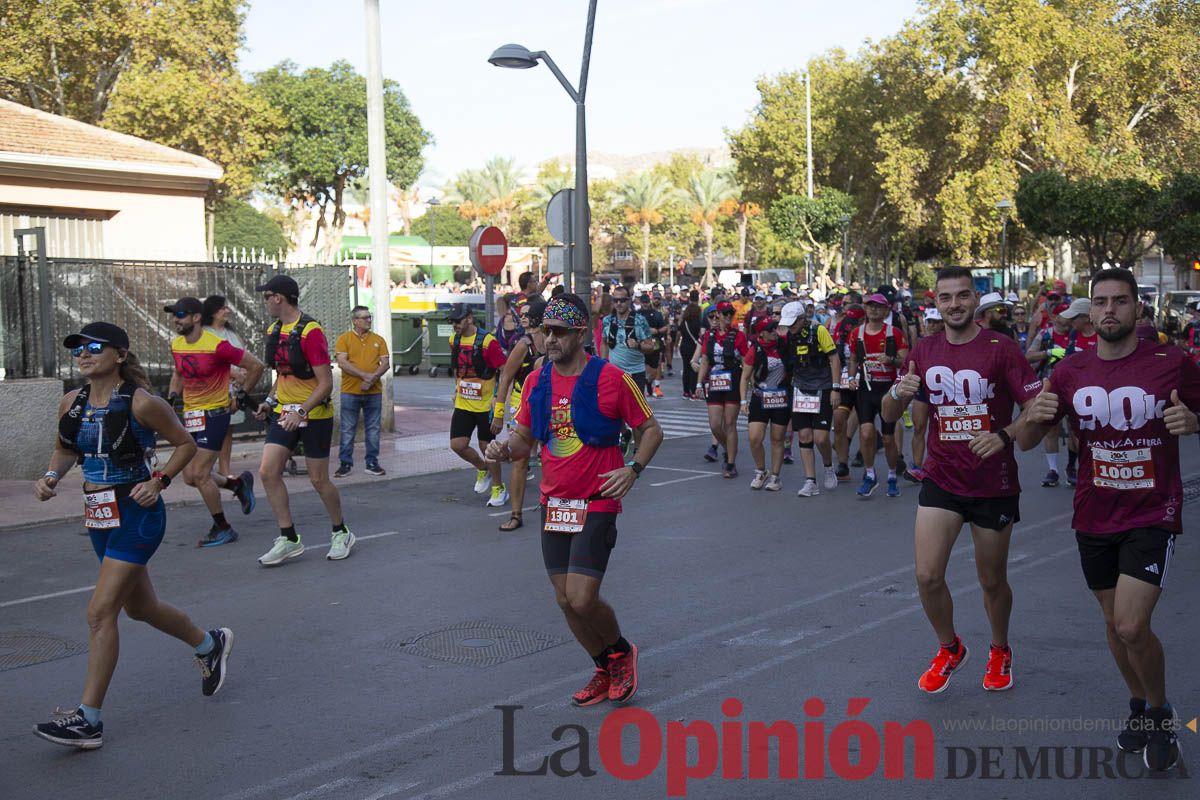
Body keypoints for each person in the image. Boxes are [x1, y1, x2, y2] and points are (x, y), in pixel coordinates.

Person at [1016, 268, 1198, 771]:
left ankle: (1160, 714)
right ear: (1090, 311)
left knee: (1131, 623)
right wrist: (1033, 415)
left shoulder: (1171, 361)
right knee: (1113, 626)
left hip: (1152, 511)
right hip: (1094, 512)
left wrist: (1195, 421)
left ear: (1138, 308)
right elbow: (1031, 440)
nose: (1110, 309)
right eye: (1101, 302)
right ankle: (1140, 705)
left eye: (1121, 300)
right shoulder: (1070, 371)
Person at [32, 323, 232, 749]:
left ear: (120, 354)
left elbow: (185, 445)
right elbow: (66, 448)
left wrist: (159, 480)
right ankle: (208, 643)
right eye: (77, 350)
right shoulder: (72, 402)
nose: (82, 355)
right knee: (142, 608)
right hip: (98, 515)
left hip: (137, 515)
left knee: (100, 613)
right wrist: (51, 476)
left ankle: (88, 721)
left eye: (92, 348)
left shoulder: (144, 403)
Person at [485, 294, 663, 707]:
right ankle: (603, 666)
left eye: (559, 332)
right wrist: (501, 449)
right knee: (564, 599)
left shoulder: (613, 379)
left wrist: (632, 469)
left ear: (580, 333)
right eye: (546, 330)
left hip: (597, 500)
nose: (550, 339)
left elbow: (651, 429)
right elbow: (524, 439)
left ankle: (621, 652)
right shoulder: (536, 381)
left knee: (583, 597)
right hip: (555, 505)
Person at [882, 266, 1042, 696]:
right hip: (943, 478)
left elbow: (1038, 407)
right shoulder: (924, 349)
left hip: (994, 483)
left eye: (962, 296)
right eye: (945, 297)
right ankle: (950, 648)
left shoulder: (1001, 348)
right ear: (935, 302)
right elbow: (888, 414)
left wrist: (1005, 435)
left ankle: (1000, 648)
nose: (954, 304)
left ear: (976, 300)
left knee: (991, 580)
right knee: (927, 575)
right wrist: (898, 392)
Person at [251, 275, 355, 565]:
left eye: (266, 296)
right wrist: (269, 402)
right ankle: (288, 538)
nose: (265, 302)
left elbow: (325, 384)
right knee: (268, 472)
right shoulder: (275, 330)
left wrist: (302, 412)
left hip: (315, 414)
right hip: (284, 413)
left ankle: (341, 531)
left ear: (279, 298)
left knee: (318, 479)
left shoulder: (310, 332)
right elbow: (283, 375)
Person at [165, 297, 263, 547]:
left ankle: (223, 527)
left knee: (199, 472)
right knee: (190, 477)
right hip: (191, 416)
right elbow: (178, 373)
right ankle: (237, 484)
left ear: (196, 317)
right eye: (174, 315)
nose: (176, 319)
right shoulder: (177, 344)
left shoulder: (217, 345)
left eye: (181, 314)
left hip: (215, 415)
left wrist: (240, 397)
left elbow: (256, 366)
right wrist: (173, 397)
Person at [445, 303, 510, 507]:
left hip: (485, 406)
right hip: (464, 404)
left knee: (486, 447)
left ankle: (499, 488)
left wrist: (498, 405)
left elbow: (504, 371)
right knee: (457, 445)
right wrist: (457, 388)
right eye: (452, 321)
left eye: (458, 320)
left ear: (469, 318)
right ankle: (482, 468)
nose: (454, 325)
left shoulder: (487, 342)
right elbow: (459, 368)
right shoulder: (453, 340)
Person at [491, 299, 547, 531]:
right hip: (522, 407)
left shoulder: (555, 341)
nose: (522, 317)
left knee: (554, 456)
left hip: (548, 408)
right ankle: (516, 514)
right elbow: (506, 377)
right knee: (519, 459)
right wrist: (498, 414)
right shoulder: (524, 344)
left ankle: (558, 508)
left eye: (527, 314)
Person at [847, 293, 908, 498]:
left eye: (878, 307)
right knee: (865, 433)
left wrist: (890, 359)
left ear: (886, 311)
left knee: (889, 438)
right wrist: (851, 377)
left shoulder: (894, 333)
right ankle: (870, 475)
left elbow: (904, 362)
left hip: (887, 391)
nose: (873, 310)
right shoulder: (857, 333)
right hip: (866, 389)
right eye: (870, 306)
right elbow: (854, 359)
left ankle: (891, 476)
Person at [779, 300, 842, 496]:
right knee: (804, 436)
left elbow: (834, 358)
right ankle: (810, 481)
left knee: (821, 437)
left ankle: (828, 466)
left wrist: (836, 388)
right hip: (800, 389)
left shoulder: (819, 331)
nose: (791, 328)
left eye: (793, 323)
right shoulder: (786, 336)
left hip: (822, 388)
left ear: (802, 319)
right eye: (787, 324)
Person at [334, 306, 390, 478]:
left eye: (369, 317)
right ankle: (345, 464)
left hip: (374, 392)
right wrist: (365, 376)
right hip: (350, 391)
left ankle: (372, 462)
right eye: (365, 318)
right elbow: (342, 363)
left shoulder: (378, 340)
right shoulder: (344, 339)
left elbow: (385, 363)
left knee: (373, 428)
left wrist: (371, 379)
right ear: (355, 321)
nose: (368, 320)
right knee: (347, 428)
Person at [599, 285, 655, 452]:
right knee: (612, 409)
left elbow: (651, 346)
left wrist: (638, 345)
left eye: (622, 300)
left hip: (635, 372)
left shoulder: (639, 320)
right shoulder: (608, 320)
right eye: (615, 300)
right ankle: (624, 433)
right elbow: (603, 342)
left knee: (636, 414)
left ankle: (638, 449)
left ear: (629, 300)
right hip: (614, 372)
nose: (619, 304)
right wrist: (603, 363)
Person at [698, 300, 750, 478]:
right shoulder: (709, 335)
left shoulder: (738, 336)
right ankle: (728, 448)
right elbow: (705, 359)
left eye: (731, 313)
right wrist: (698, 384)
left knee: (729, 423)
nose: (729, 317)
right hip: (715, 381)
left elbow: (746, 360)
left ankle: (731, 463)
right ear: (717, 315)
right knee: (714, 425)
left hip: (733, 380)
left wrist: (747, 383)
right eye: (725, 313)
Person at [739, 317, 790, 491]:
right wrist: (743, 401)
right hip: (759, 397)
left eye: (775, 328)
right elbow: (745, 377)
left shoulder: (784, 345)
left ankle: (775, 477)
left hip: (780, 398)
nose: (774, 332)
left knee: (777, 439)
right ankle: (761, 470)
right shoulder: (755, 349)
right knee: (754, 438)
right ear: (761, 333)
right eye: (770, 330)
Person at [202, 295, 247, 478]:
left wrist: (243, 373)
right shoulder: (204, 333)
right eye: (222, 308)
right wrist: (232, 373)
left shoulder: (232, 333)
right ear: (212, 312)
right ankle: (206, 468)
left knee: (228, 430)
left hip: (233, 389)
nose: (227, 311)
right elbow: (206, 362)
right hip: (212, 389)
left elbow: (244, 356)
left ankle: (225, 469)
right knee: (210, 431)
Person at [906, 307, 944, 483]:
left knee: (942, 430)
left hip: (943, 392)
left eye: (936, 322)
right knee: (919, 427)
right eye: (930, 321)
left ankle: (940, 465)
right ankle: (917, 466)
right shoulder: (921, 344)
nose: (932, 325)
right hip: (922, 390)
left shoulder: (949, 342)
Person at [678, 297, 703, 399]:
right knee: (694, 368)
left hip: (684, 346)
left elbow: (680, 332)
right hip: (694, 346)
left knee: (686, 368)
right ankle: (693, 391)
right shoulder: (698, 322)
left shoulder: (684, 322)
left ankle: (685, 391)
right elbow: (700, 334)